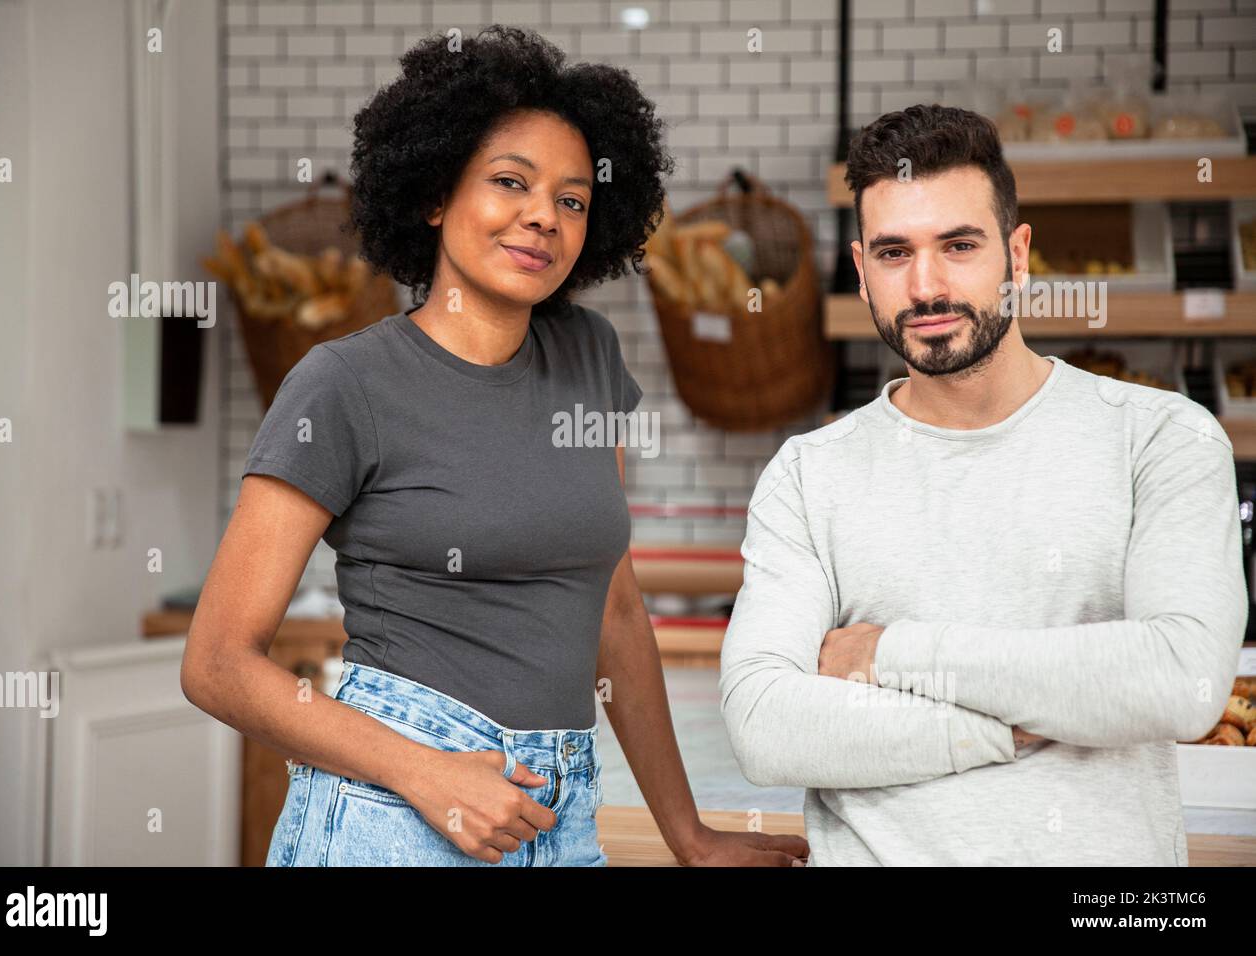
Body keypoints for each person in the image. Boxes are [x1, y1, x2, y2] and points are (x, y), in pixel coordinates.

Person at [182, 24, 807, 867]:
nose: (543, 216)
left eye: (574, 199)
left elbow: (613, 609)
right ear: (436, 195)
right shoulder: (343, 385)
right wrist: (428, 774)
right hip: (392, 811)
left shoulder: (589, 356)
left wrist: (687, 836)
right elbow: (217, 662)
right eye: (511, 182)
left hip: (558, 810)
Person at [720, 103, 1248, 866]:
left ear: (1018, 253)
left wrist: (891, 654)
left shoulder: (1162, 437)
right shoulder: (809, 475)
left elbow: (1183, 680)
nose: (928, 287)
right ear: (863, 272)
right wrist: (1017, 724)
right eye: (895, 253)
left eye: (959, 245)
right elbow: (766, 726)